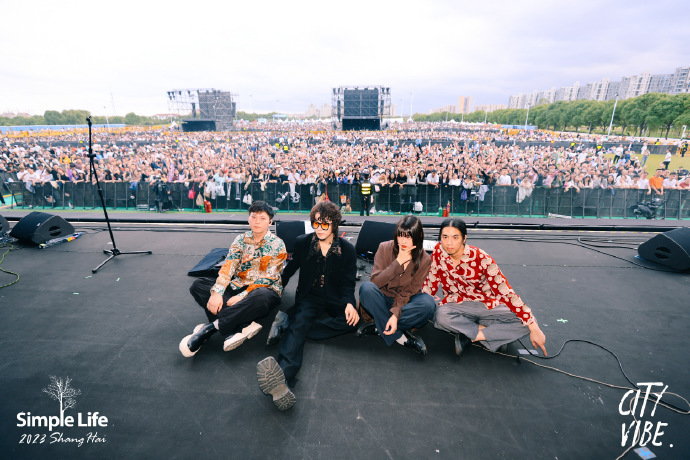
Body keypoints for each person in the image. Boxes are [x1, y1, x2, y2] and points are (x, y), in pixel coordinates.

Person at [257, 201, 358, 410]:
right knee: (300, 325)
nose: (319, 229)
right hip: (310, 298)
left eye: (325, 225)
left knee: (351, 323)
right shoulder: (303, 242)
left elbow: (349, 282)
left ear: (335, 225)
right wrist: (274, 290)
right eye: (316, 223)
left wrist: (349, 304)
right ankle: (282, 379)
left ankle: (290, 325)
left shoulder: (347, 250)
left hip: (336, 298)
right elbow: (289, 270)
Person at [424, 218, 547, 356]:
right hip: (458, 305)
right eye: (444, 237)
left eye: (455, 237)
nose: (449, 243)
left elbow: (505, 292)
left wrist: (534, 327)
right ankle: (495, 336)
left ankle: (472, 336)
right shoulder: (438, 254)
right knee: (440, 317)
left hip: (487, 305)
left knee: (529, 322)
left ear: (464, 238)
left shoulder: (482, 258)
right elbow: (430, 284)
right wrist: (419, 305)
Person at [180, 201, 287, 357]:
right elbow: (228, 267)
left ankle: (211, 328)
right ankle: (242, 324)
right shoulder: (240, 240)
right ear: (248, 218)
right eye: (254, 216)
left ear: (270, 222)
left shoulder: (278, 244)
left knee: (261, 298)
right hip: (237, 285)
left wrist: (242, 297)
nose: (257, 221)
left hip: (262, 290)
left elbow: (269, 277)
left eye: (262, 218)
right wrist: (217, 292)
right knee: (198, 286)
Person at [356, 215, 436, 355]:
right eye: (400, 236)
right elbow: (375, 282)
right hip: (382, 297)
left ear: (418, 237)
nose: (403, 241)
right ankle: (400, 337)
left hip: (405, 302)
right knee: (366, 289)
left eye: (408, 237)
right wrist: (397, 264)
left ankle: (378, 326)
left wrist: (395, 314)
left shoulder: (424, 259)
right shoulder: (384, 247)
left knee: (428, 304)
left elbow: (409, 291)